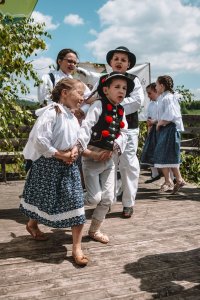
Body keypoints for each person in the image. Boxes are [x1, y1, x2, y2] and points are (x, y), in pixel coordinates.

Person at [19, 78, 89, 266]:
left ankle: (77, 247)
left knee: (76, 202)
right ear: (65, 93)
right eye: (79, 93)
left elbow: (77, 137)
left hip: (69, 166)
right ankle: (32, 224)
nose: (82, 98)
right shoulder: (52, 112)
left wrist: (74, 150)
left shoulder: (73, 116)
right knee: (42, 197)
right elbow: (40, 140)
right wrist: (60, 155)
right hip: (48, 164)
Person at [75, 72, 135, 243]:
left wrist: (115, 145)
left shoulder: (121, 110)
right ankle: (69, 202)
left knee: (109, 198)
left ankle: (94, 230)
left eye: (124, 88)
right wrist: (81, 146)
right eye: (117, 87)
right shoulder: (99, 105)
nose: (121, 90)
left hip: (109, 159)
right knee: (94, 198)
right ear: (106, 90)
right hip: (92, 157)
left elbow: (124, 132)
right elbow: (87, 126)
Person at [106, 46, 144, 218]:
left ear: (128, 64)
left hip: (129, 129)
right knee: (108, 165)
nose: (119, 62)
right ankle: (108, 200)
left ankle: (128, 203)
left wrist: (112, 104)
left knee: (128, 164)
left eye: (123, 60)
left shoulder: (133, 80)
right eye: (116, 59)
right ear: (111, 62)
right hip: (106, 129)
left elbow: (137, 102)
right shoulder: (104, 80)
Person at [154, 75, 186, 194]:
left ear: (162, 86)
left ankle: (172, 181)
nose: (156, 87)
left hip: (170, 129)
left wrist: (159, 123)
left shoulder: (168, 98)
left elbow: (171, 115)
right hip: (167, 129)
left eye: (157, 85)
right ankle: (176, 180)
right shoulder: (164, 97)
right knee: (166, 154)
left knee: (163, 154)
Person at [140, 83, 161, 183]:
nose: (148, 95)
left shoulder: (161, 103)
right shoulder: (151, 104)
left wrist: (154, 121)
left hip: (160, 129)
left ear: (156, 92)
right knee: (150, 151)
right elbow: (148, 118)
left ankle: (171, 177)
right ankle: (154, 173)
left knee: (161, 152)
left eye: (150, 93)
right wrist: (149, 129)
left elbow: (163, 117)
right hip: (152, 130)